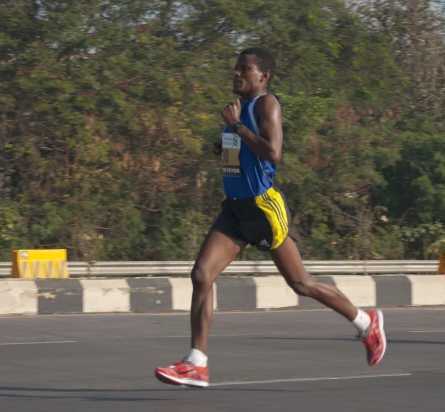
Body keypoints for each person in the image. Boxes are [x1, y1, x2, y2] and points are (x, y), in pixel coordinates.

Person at [155, 47, 386, 388]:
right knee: (201, 274)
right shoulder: (237, 110)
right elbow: (240, 152)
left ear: (262, 76)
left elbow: (273, 153)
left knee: (300, 283)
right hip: (235, 209)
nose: (235, 73)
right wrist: (223, 144)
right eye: (235, 68)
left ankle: (366, 323)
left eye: (243, 69)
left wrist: (235, 126)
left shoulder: (266, 103)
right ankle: (197, 363)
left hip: (264, 209)